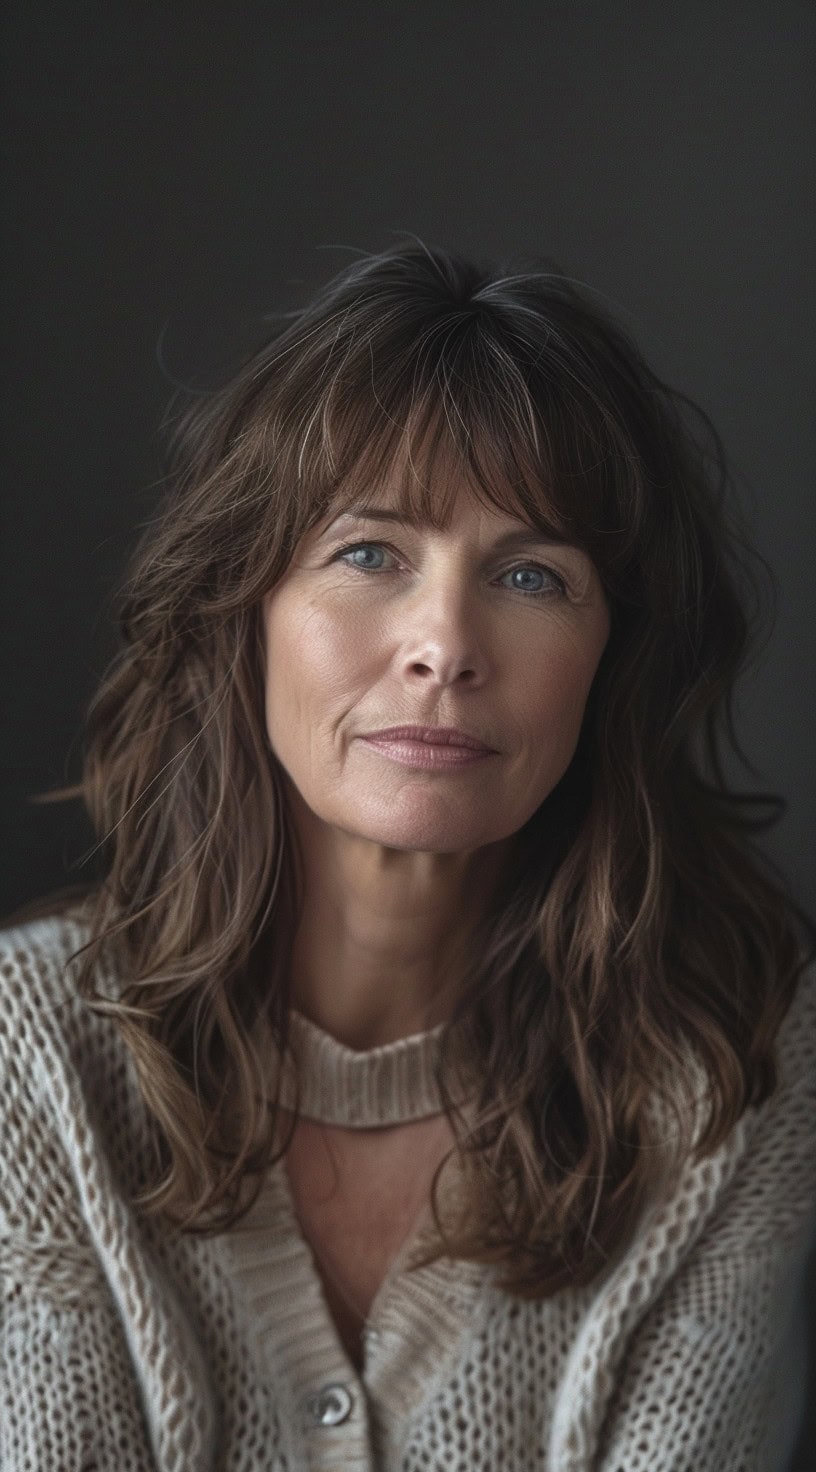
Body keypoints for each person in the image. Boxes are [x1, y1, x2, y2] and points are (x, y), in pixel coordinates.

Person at [1, 238, 814, 1472]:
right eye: (370, 551)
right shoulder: (28, 1053)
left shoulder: (734, 1061)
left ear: (611, 663)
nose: (444, 642)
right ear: (244, 607)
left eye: (534, 573)